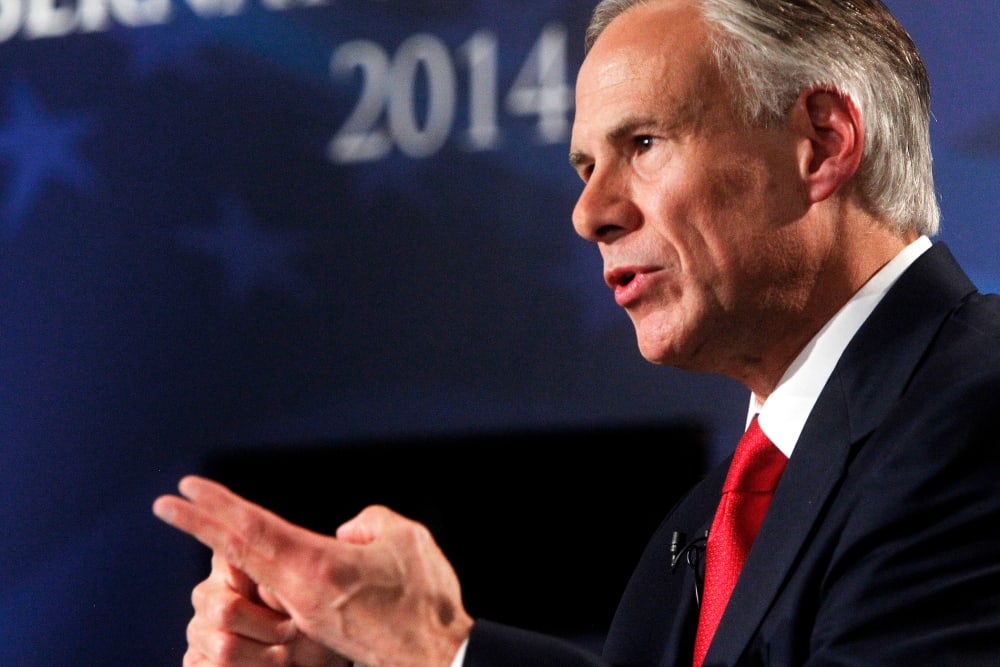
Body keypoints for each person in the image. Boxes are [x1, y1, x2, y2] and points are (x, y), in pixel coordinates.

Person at [152, 0, 1000, 664]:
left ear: (822, 143)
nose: (589, 212)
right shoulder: (703, 529)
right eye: (586, 167)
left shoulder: (975, 410)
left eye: (644, 141)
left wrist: (437, 647)